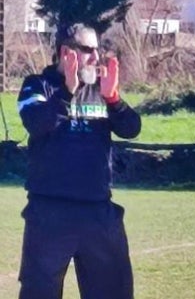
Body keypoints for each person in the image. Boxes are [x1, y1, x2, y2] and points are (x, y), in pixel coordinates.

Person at [17, 23, 141, 299]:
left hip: (98, 213)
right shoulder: (37, 86)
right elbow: (38, 123)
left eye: (98, 50)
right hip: (49, 214)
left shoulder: (100, 90)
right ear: (65, 52)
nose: (96, 58)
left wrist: (114, 99)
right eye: (88, 50)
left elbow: (132, 128)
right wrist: (67, 92)